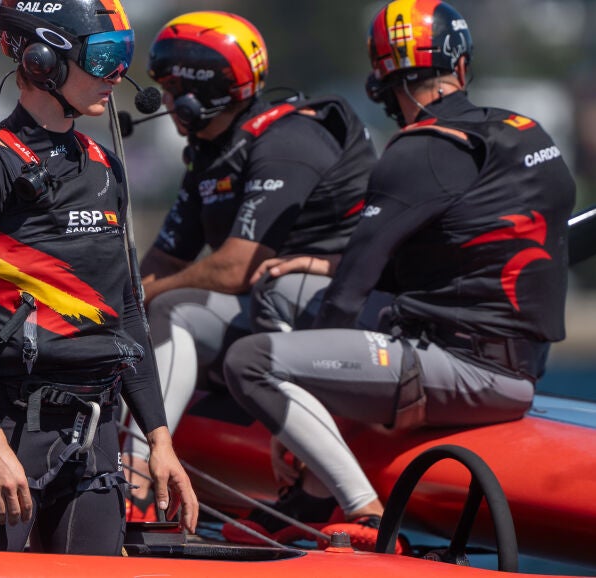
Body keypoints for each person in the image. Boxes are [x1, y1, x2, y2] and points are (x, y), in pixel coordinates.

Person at [222, 0, 575, 547]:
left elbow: (348, 293)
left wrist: (294, 407)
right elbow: (464, 249)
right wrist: (325, 268)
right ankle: (311, 493)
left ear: (384, 86)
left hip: (462, 369)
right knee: (284, 286)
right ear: (461, 67)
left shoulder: (419, 150)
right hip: (515, 364)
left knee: (248, 362)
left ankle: (361, 509)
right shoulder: (528, 134)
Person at [0, 0, 198, 555]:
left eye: (123, 55)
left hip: (94, 436)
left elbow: (126, 311)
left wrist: (159, 440)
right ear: (42, 61)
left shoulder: (104, 165)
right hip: (8, 429)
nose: (117, 74)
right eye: (102, 57)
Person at [120, 11, 378, 523]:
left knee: (173, 308)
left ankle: (139, 485)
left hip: (338, 314)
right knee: (145, 310)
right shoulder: (210, 154)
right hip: (268, 312)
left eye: (171, 89)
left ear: (201, 93)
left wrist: (147, 296)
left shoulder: (287, 141)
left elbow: (237, 267)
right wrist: (119, 308)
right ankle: (128, 469)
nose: (164, 101)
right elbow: (164, 259)